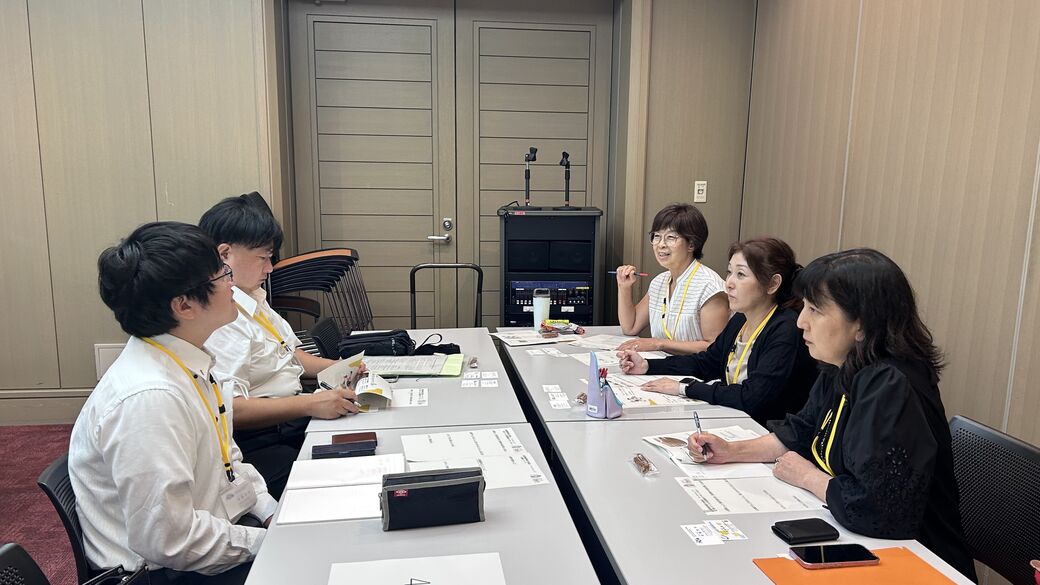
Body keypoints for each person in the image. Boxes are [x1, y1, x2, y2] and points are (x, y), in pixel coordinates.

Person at [687, 249, 977, 582]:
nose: (800, 322)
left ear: (862, 323)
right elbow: (801, 430)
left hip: (914, 562)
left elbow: (875, 509)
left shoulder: (891, 384)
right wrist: (732, 451)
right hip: (857, 541)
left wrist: (807, 476)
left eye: (815, 310)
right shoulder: (841, 365)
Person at [69, 222, 276, 584]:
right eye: (222, 275)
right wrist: (267, 542)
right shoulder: (150, 398)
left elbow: (229, 461)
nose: (232, 284)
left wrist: (274, 514)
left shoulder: (186, 360)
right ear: (183, 305)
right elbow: (169, 540)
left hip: (206, 541)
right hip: (165, 573)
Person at [200, 195, 358, 499]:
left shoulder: (254, 298)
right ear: (225, 254)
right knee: (345, 484)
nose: (270, 268)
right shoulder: (223, 317)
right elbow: (230, 410)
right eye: (264, 257)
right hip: (258, 441)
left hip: (290, 417)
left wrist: (342, 368)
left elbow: (290, 355)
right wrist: (311, 404)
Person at [618, 237, 816, 424]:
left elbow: (752, 397)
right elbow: (707, 363)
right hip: (733, 418)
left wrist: (684, 388)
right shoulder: (741, 319)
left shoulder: (786, 329)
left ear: (772, 284)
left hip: (763, 431)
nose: (728, 283)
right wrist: (647, 366)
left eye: (741, 275)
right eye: (729, 272)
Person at [615, 203, 729, 354]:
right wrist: (624, 287)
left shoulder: (710, 287)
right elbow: (630, 327)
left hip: (695, 372)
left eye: (670, 237)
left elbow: (713, 347)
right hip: (661, 366)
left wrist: (659, 344)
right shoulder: (659, 281)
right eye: (657, 236)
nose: (661, 245)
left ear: (692, 244)